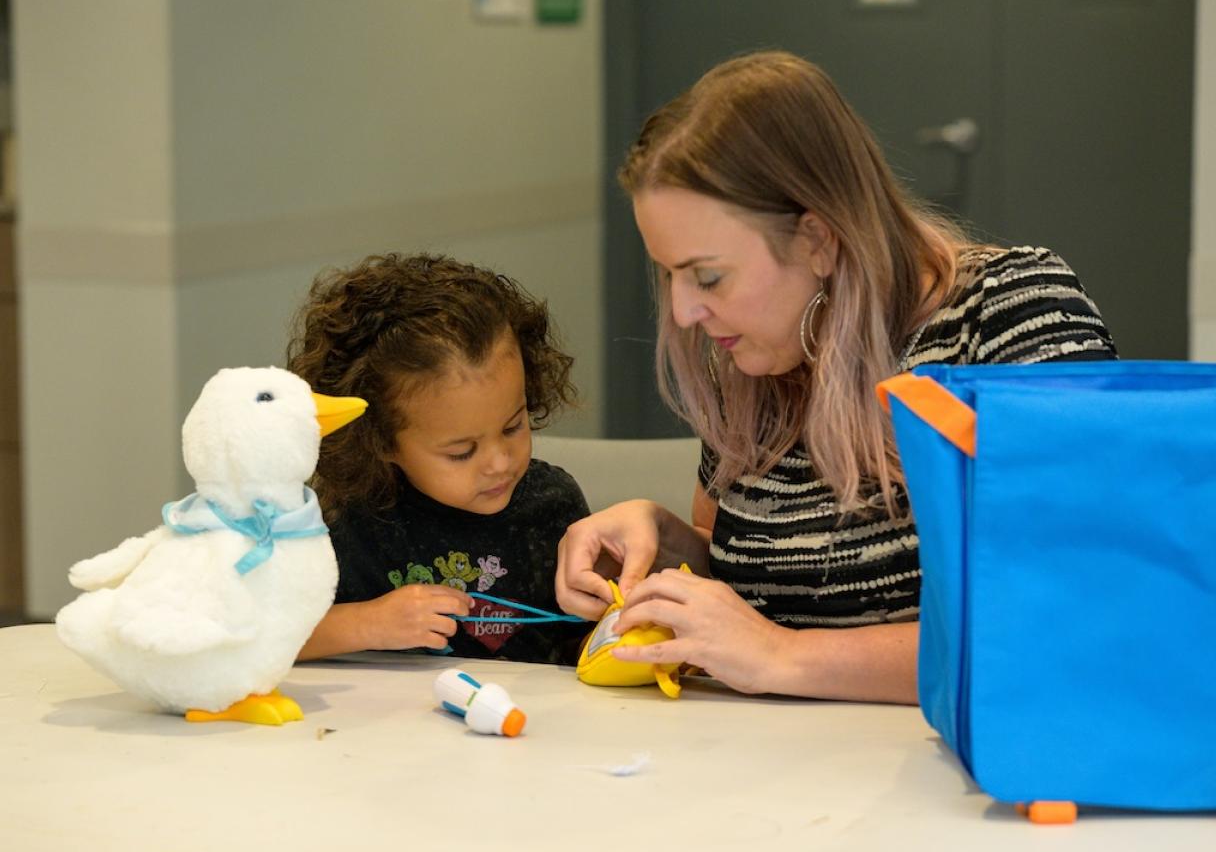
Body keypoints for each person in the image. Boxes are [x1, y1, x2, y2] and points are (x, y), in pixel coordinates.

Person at [555, 50, 1117, 702]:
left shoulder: (1011, 313)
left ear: (818, 240)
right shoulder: (759, 352)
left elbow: (1070, 615)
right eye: (669, 274)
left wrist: (786, 657)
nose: (682, 311)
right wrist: (670, 544)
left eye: (707, 276)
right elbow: (768, 579)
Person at [289, 252, 590, 665]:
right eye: (461, 452)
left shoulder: (551, 505)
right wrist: (367, 623)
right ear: (377, 440)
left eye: (513, 426)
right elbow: (256, 641)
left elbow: (582, 643)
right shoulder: (346, 525)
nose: (500, 463)